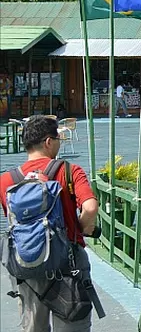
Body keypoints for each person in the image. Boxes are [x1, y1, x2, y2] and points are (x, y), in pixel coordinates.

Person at [0, 115, 100, 331]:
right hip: (68, 262)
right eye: (57, 139)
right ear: (48, 142)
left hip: (28, 262)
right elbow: (91, 207)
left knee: (34, 327)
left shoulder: (7, 180)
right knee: (73, 324)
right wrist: (82, 228)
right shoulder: (69, 171)